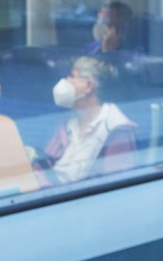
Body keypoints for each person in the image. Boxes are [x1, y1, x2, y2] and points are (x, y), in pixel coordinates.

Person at [33, 55, 138, 184]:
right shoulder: (68, 122)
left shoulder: (117, 128)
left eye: (72, 76)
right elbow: (47, 161)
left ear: (88, 85)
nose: (66, 80)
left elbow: (114, 185)